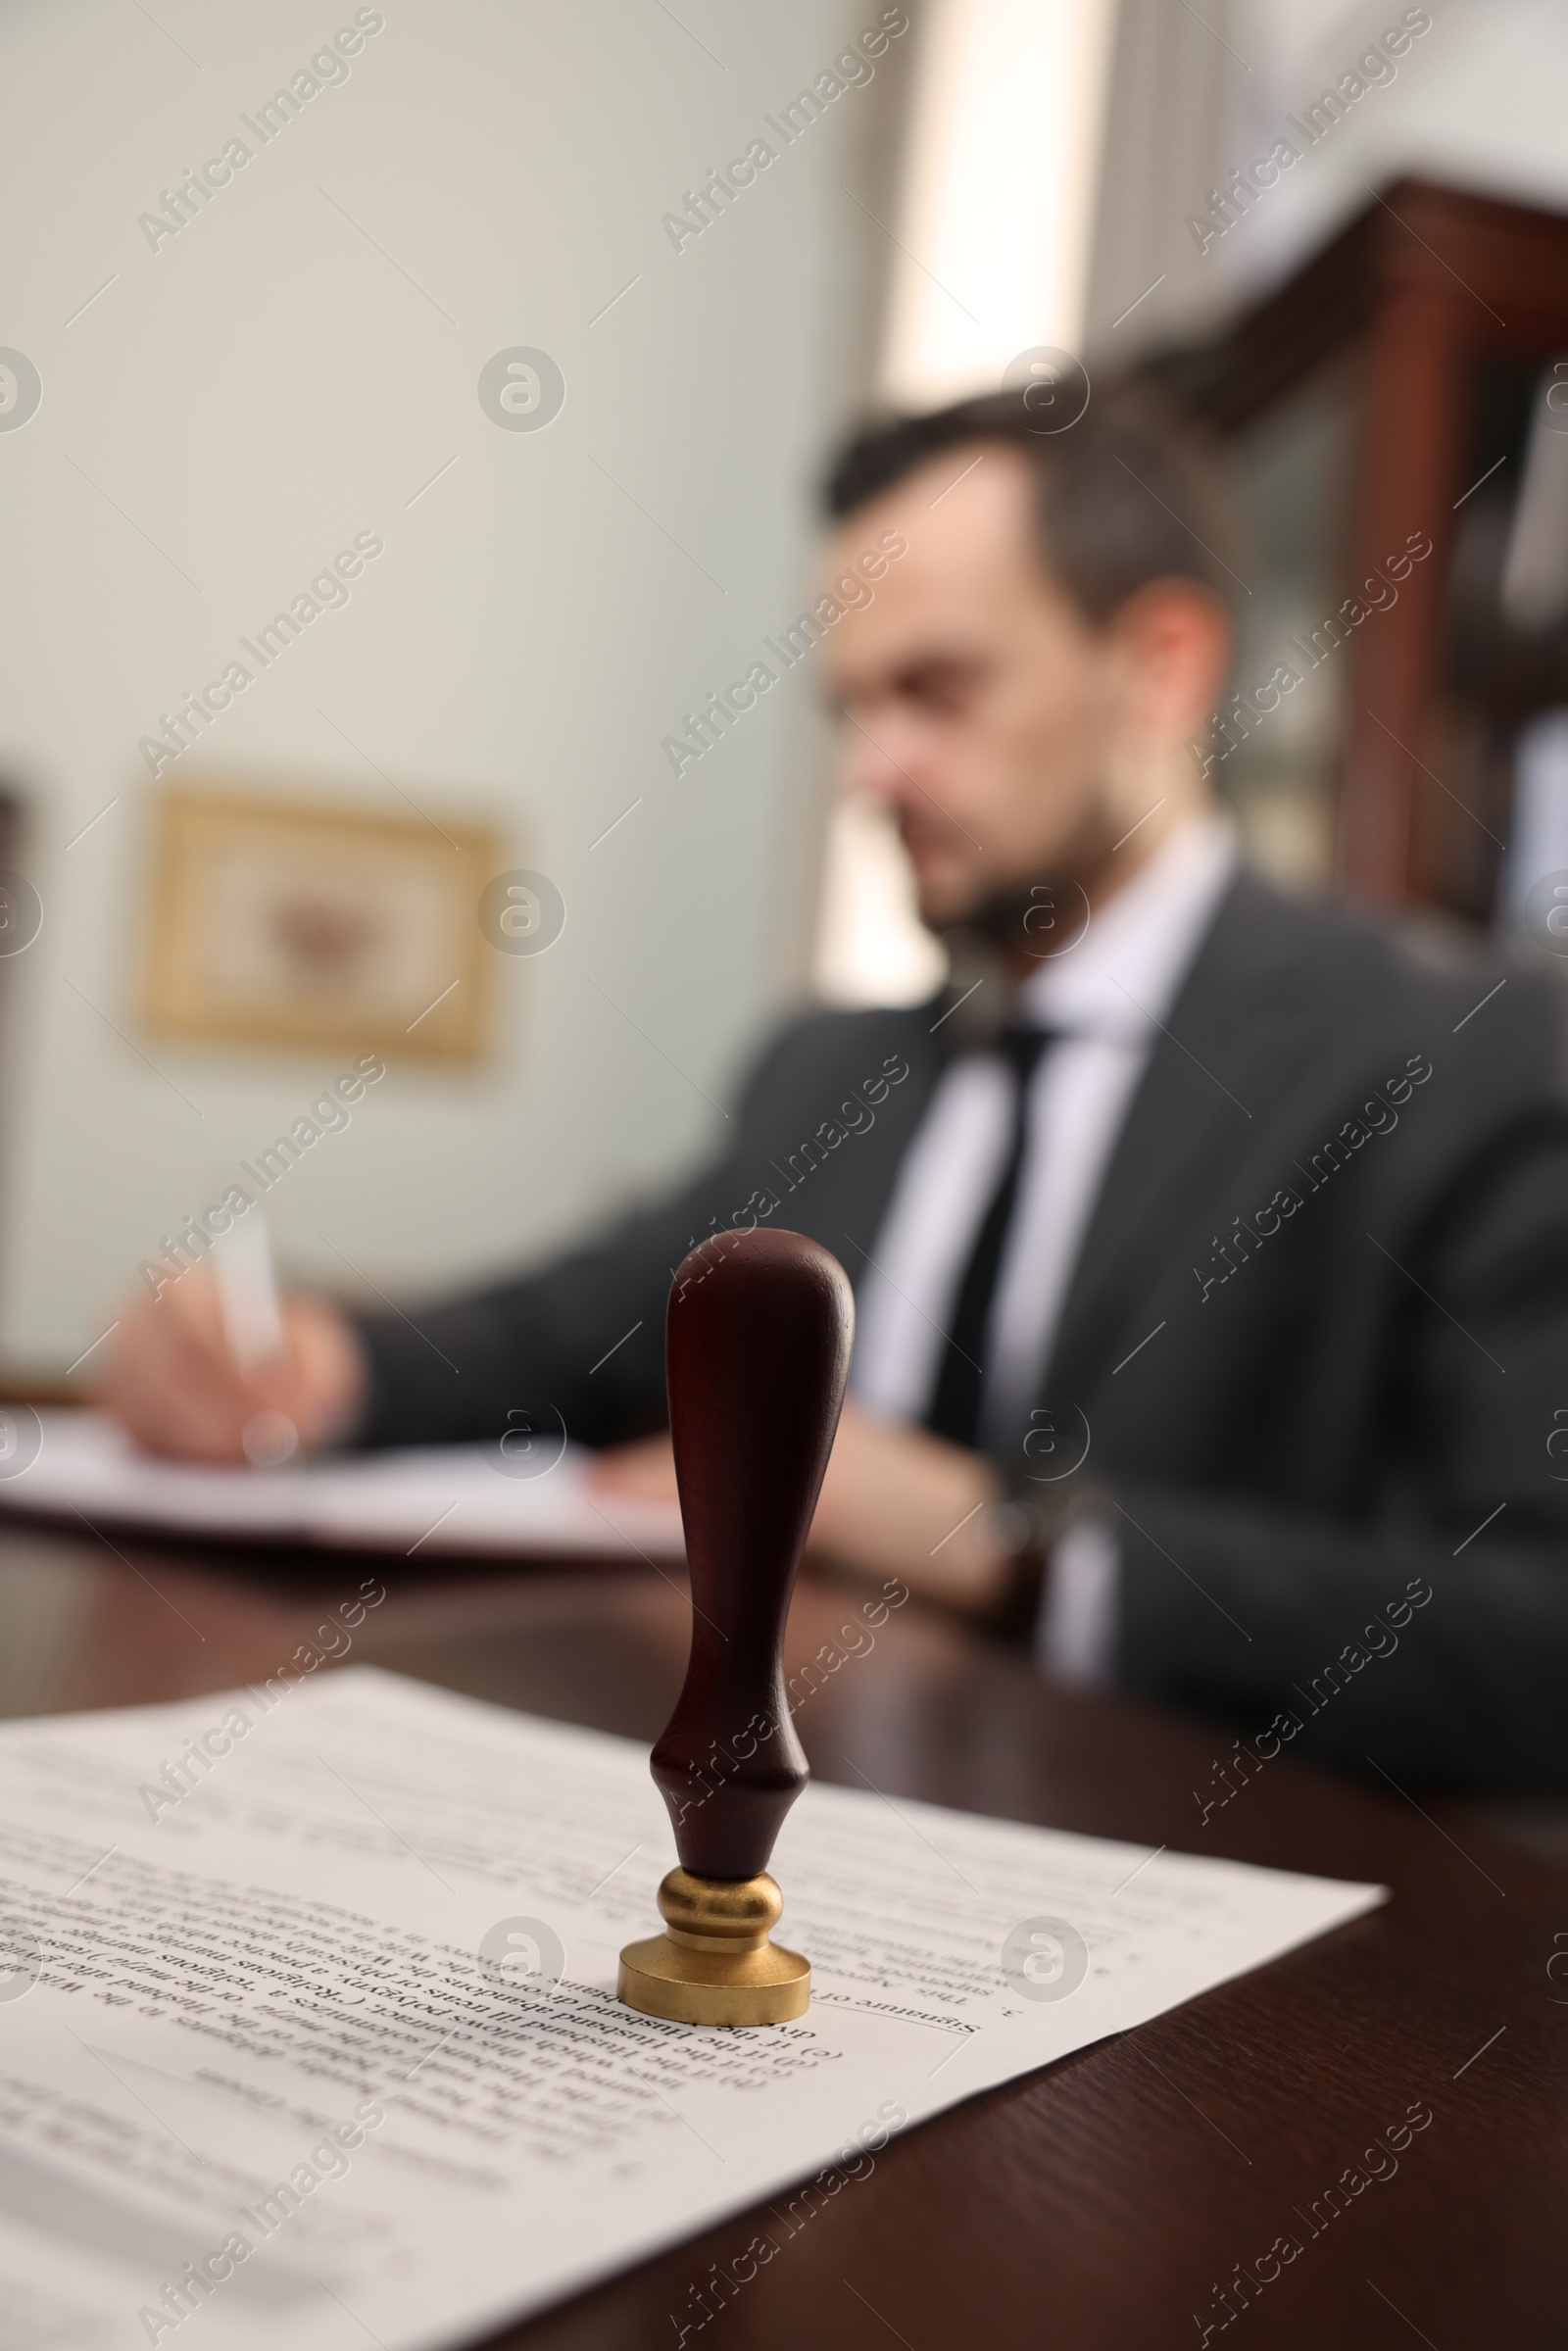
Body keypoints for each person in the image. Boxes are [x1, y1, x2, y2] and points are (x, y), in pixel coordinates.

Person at [101, 388, 1568, 1791]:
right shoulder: (828, 1073)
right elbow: (585, 1323)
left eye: (935, 689)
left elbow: (1535, 1626)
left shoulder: (1454, 1054)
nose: (875, 769)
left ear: (1163, 666)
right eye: (851, 709)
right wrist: (324, 1366)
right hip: (788, 1818)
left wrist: (1002, 1543)